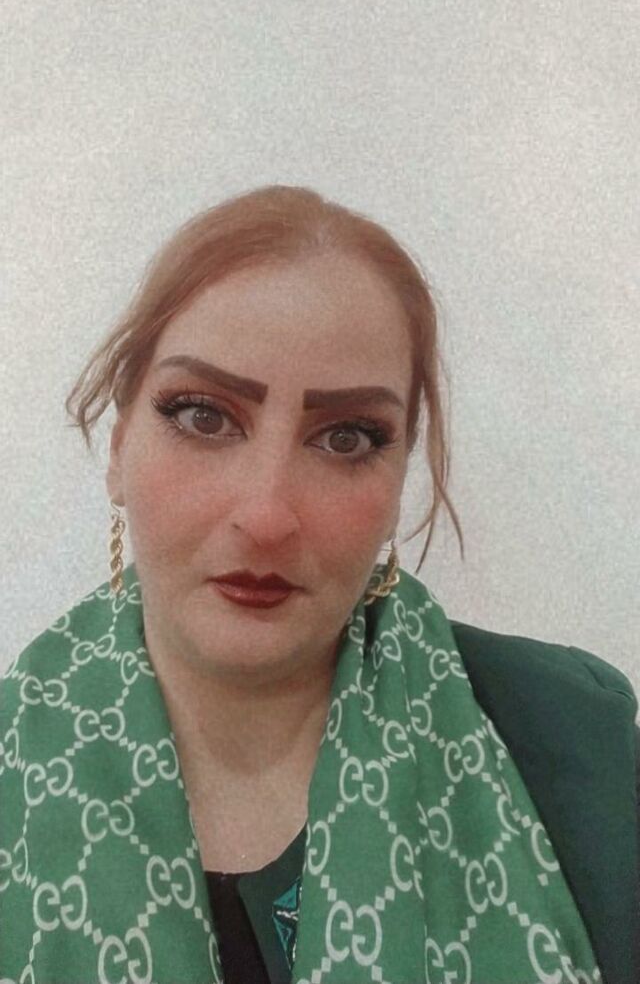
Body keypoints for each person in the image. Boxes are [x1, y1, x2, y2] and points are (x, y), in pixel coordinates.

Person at [1, 185, 637, 984]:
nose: (267, 516)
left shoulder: (573, 745)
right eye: (202, 416)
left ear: (399, 479)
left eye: (347, 437)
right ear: (120, 446)